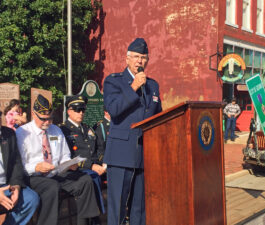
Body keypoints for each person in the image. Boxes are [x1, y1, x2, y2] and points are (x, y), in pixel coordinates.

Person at [103, 38, 162, 225]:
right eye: (136, 57)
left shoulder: (153, 85)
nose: (140, 61)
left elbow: (158, 117)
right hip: (121, 154)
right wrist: (134, 86)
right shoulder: (114, 82)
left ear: (148, 60)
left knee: (140, 209)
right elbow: (114, 110)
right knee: (118, 208)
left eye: (143, 57)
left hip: (144, 154)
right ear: (127, 59)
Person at [15, 94, 100, 225]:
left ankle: (85, 222)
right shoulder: (22, 133)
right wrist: (36, 167)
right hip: (33, 176)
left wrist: (69, 164)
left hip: (56, 173)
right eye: (43, 119)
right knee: (51, 186)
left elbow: (64, 154)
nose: (47, 122)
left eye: (50, 118)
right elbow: (19, 165)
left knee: (85, 181)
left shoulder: (56, 130)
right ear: (33, 114)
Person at [59, 95, 106, 217]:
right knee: (91, 177)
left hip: (96, 166)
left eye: (83, 110)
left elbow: (98, 149)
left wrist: (102, 164)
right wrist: (91, 166)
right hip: (78, 169)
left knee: (117, 173)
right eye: (77, 110)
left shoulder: (87, 128)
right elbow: (68, 157)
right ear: (69, 111)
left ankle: (119, 214)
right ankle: (94, 217)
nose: (81, 113)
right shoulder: (64, 130)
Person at [0, 110, 39, 225]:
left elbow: (16, 163)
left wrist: (16, 186)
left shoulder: (8, 134)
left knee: (31, 199)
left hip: (6, 184)